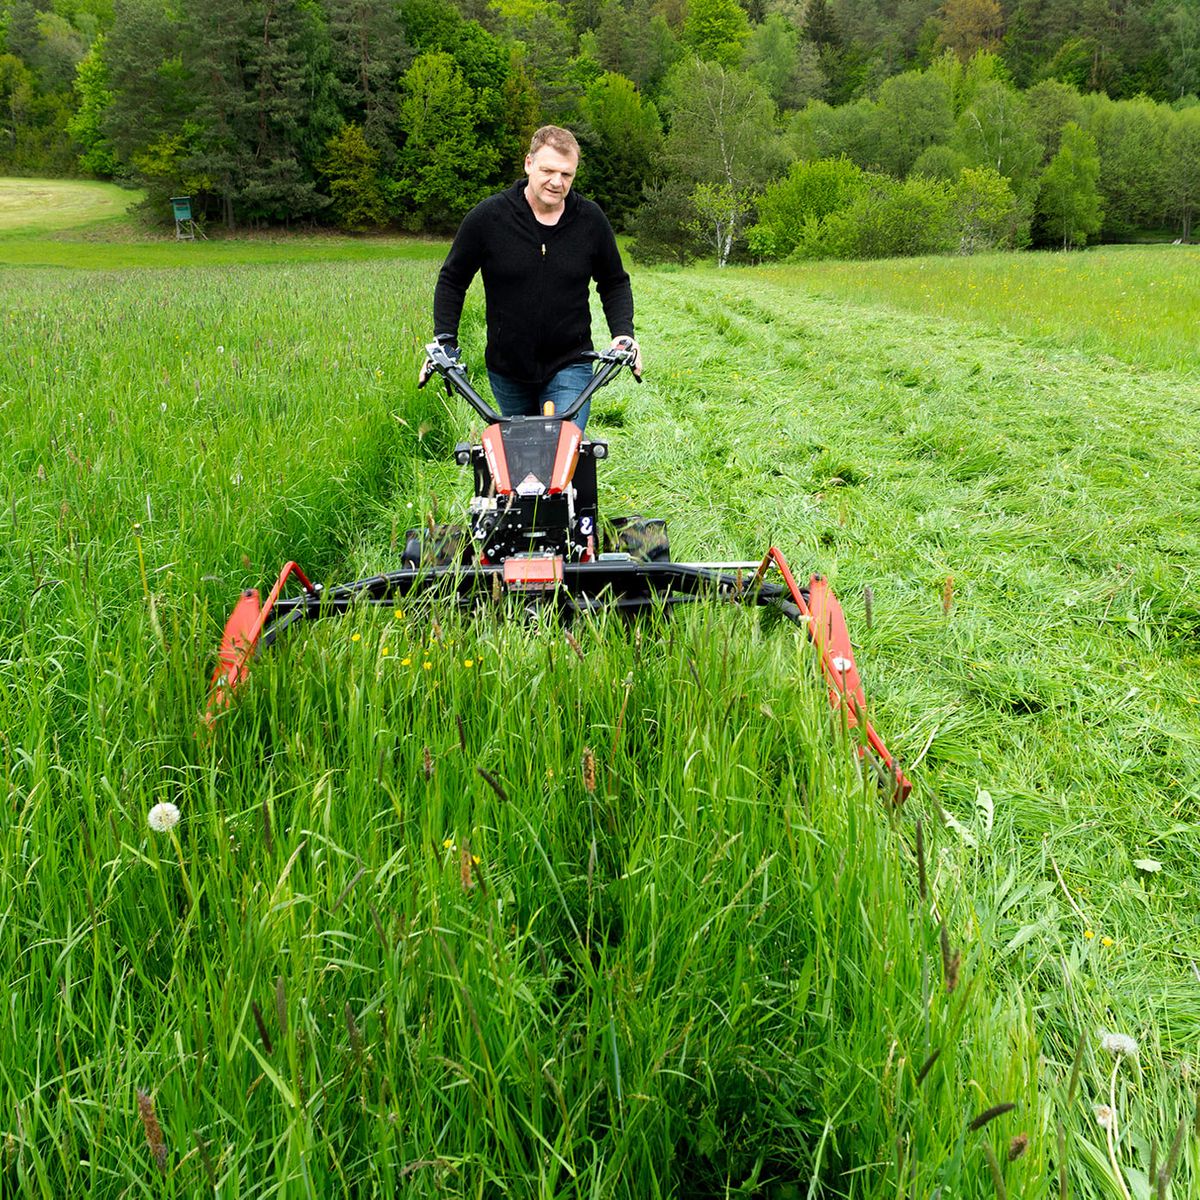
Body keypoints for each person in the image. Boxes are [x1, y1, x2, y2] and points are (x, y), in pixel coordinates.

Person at [423, 125, 641, 432]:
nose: (557, 182)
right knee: (521, 454)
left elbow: (614, 281)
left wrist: (623, 333)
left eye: (566, 174)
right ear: (529, 163)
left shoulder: (590, 220)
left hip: (570, 361)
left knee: (561, 448)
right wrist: (444, 341)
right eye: (548, 170)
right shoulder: (489, 218)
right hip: (507, 368)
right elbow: (452, 280)